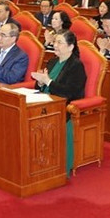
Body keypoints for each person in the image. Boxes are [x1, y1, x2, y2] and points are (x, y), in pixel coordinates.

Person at [31, 30, 88, 176]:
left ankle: (52, 164)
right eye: (54, 42)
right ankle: (33, 161)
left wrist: (48, 81)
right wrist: (39, 82)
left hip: (63, 105)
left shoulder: (76, 66)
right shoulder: (52, 61)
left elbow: (69, 92)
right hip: (45, 100)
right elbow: (42, 86)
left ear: (70, 47)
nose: (54, 45)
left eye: (59, 43)